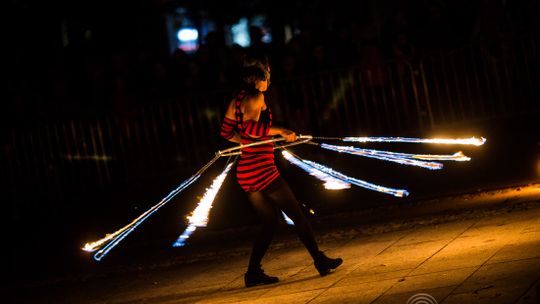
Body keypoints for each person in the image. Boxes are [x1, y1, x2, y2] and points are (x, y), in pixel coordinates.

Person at [220, 59, 343, 288]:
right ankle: (320, 261)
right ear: (257, 80)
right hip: (262, 169)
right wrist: (281, 131)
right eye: (266, 75)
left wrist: (246, 143)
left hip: (246, 171)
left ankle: (253, 273)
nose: (268, 80)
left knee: (269, 222)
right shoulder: (257, 97)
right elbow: (251, 129)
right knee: (297, 215)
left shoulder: (236, 100)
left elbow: (227, 132)